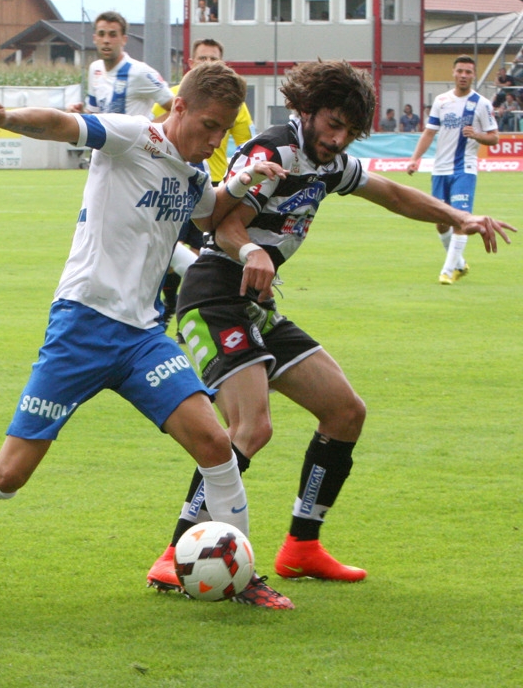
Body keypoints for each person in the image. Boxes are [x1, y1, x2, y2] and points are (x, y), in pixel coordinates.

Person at [0, 62, 295, 610]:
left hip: (142, 337)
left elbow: (210, 215)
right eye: (208, 125)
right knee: (10, 473)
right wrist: (5, 118)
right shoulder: (135, 135)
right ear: (178, 106)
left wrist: (242, 183)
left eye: (223, 130)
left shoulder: (190, 173)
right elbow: (64, 125)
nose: (214, 139)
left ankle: (242, 576)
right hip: (82, 327)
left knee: (215, 445)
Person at [145, 59, 514, 593]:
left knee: (344, 412)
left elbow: (389, 192)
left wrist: (458, 218)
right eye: (332, 125)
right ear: (307, 109)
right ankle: (175, 552)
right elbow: (219, 219)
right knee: (252, 427)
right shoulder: (272, 151)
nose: (339, 139)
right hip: (213, 298)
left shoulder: (330, 163)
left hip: (256, 303)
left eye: (349, 131)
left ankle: (302, 547)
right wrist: (251, 248)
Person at [153, 39, 256, 328]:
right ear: (191, 63)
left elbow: (246, 145)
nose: (208, 64)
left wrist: (242, 179)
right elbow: (151, 134)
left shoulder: (236, 106)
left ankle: (186, 313)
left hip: (211, 185)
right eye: (203, 59)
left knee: (203, 257)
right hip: (170, 185)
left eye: (215, 60)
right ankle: (167, 308)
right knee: (165, 251)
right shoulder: (173, 97)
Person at [406, 55, 499, 285]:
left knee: (460, 219)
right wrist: (415, 159)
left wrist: (477, 135)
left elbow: (494, 137)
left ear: (474, 75)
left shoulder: (482, 104)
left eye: (468, 72)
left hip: (464, 169)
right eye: (460, 71)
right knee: (440, 220)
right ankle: (459, 264)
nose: (464, 75)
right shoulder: (441, 101)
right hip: (440, 169)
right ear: (454, 73)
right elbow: (429, 132)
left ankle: (448, 271)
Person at [66, 11, 173, 119]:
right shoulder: (95, 69)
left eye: (113, 35)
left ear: (124, 40)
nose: (106, 40)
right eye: (101, 34)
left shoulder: (140, 72)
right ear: (95, 38)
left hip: (135, 136)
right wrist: (79, 114)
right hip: (106, 136)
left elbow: (178, 110)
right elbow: (95, 115)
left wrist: (152, 129)